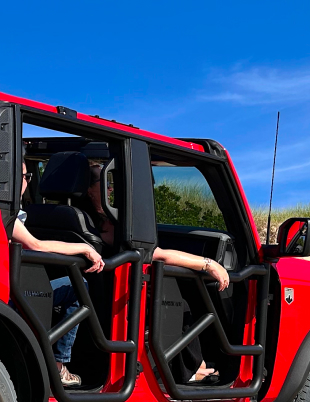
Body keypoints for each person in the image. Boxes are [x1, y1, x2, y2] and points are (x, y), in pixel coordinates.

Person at [84, 164, 230, 383]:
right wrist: (208, 264)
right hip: (117, 298)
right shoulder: (108, 224)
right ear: (88, 189)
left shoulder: (76, 218)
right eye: (105, 183)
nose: (111, 190)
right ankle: (188, 370)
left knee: (171, 296)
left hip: (102, 293)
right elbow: (156, 255)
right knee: (178, 300)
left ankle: (193, 366)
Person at [10, 169, 104, 387]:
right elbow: (36, 246)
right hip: (14, 293)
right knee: (78, 287)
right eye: (25, 175)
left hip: (12, 286)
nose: (26, 181)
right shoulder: (6, 213)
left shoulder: (24, 211)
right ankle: (59, 365)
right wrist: (84, 248)